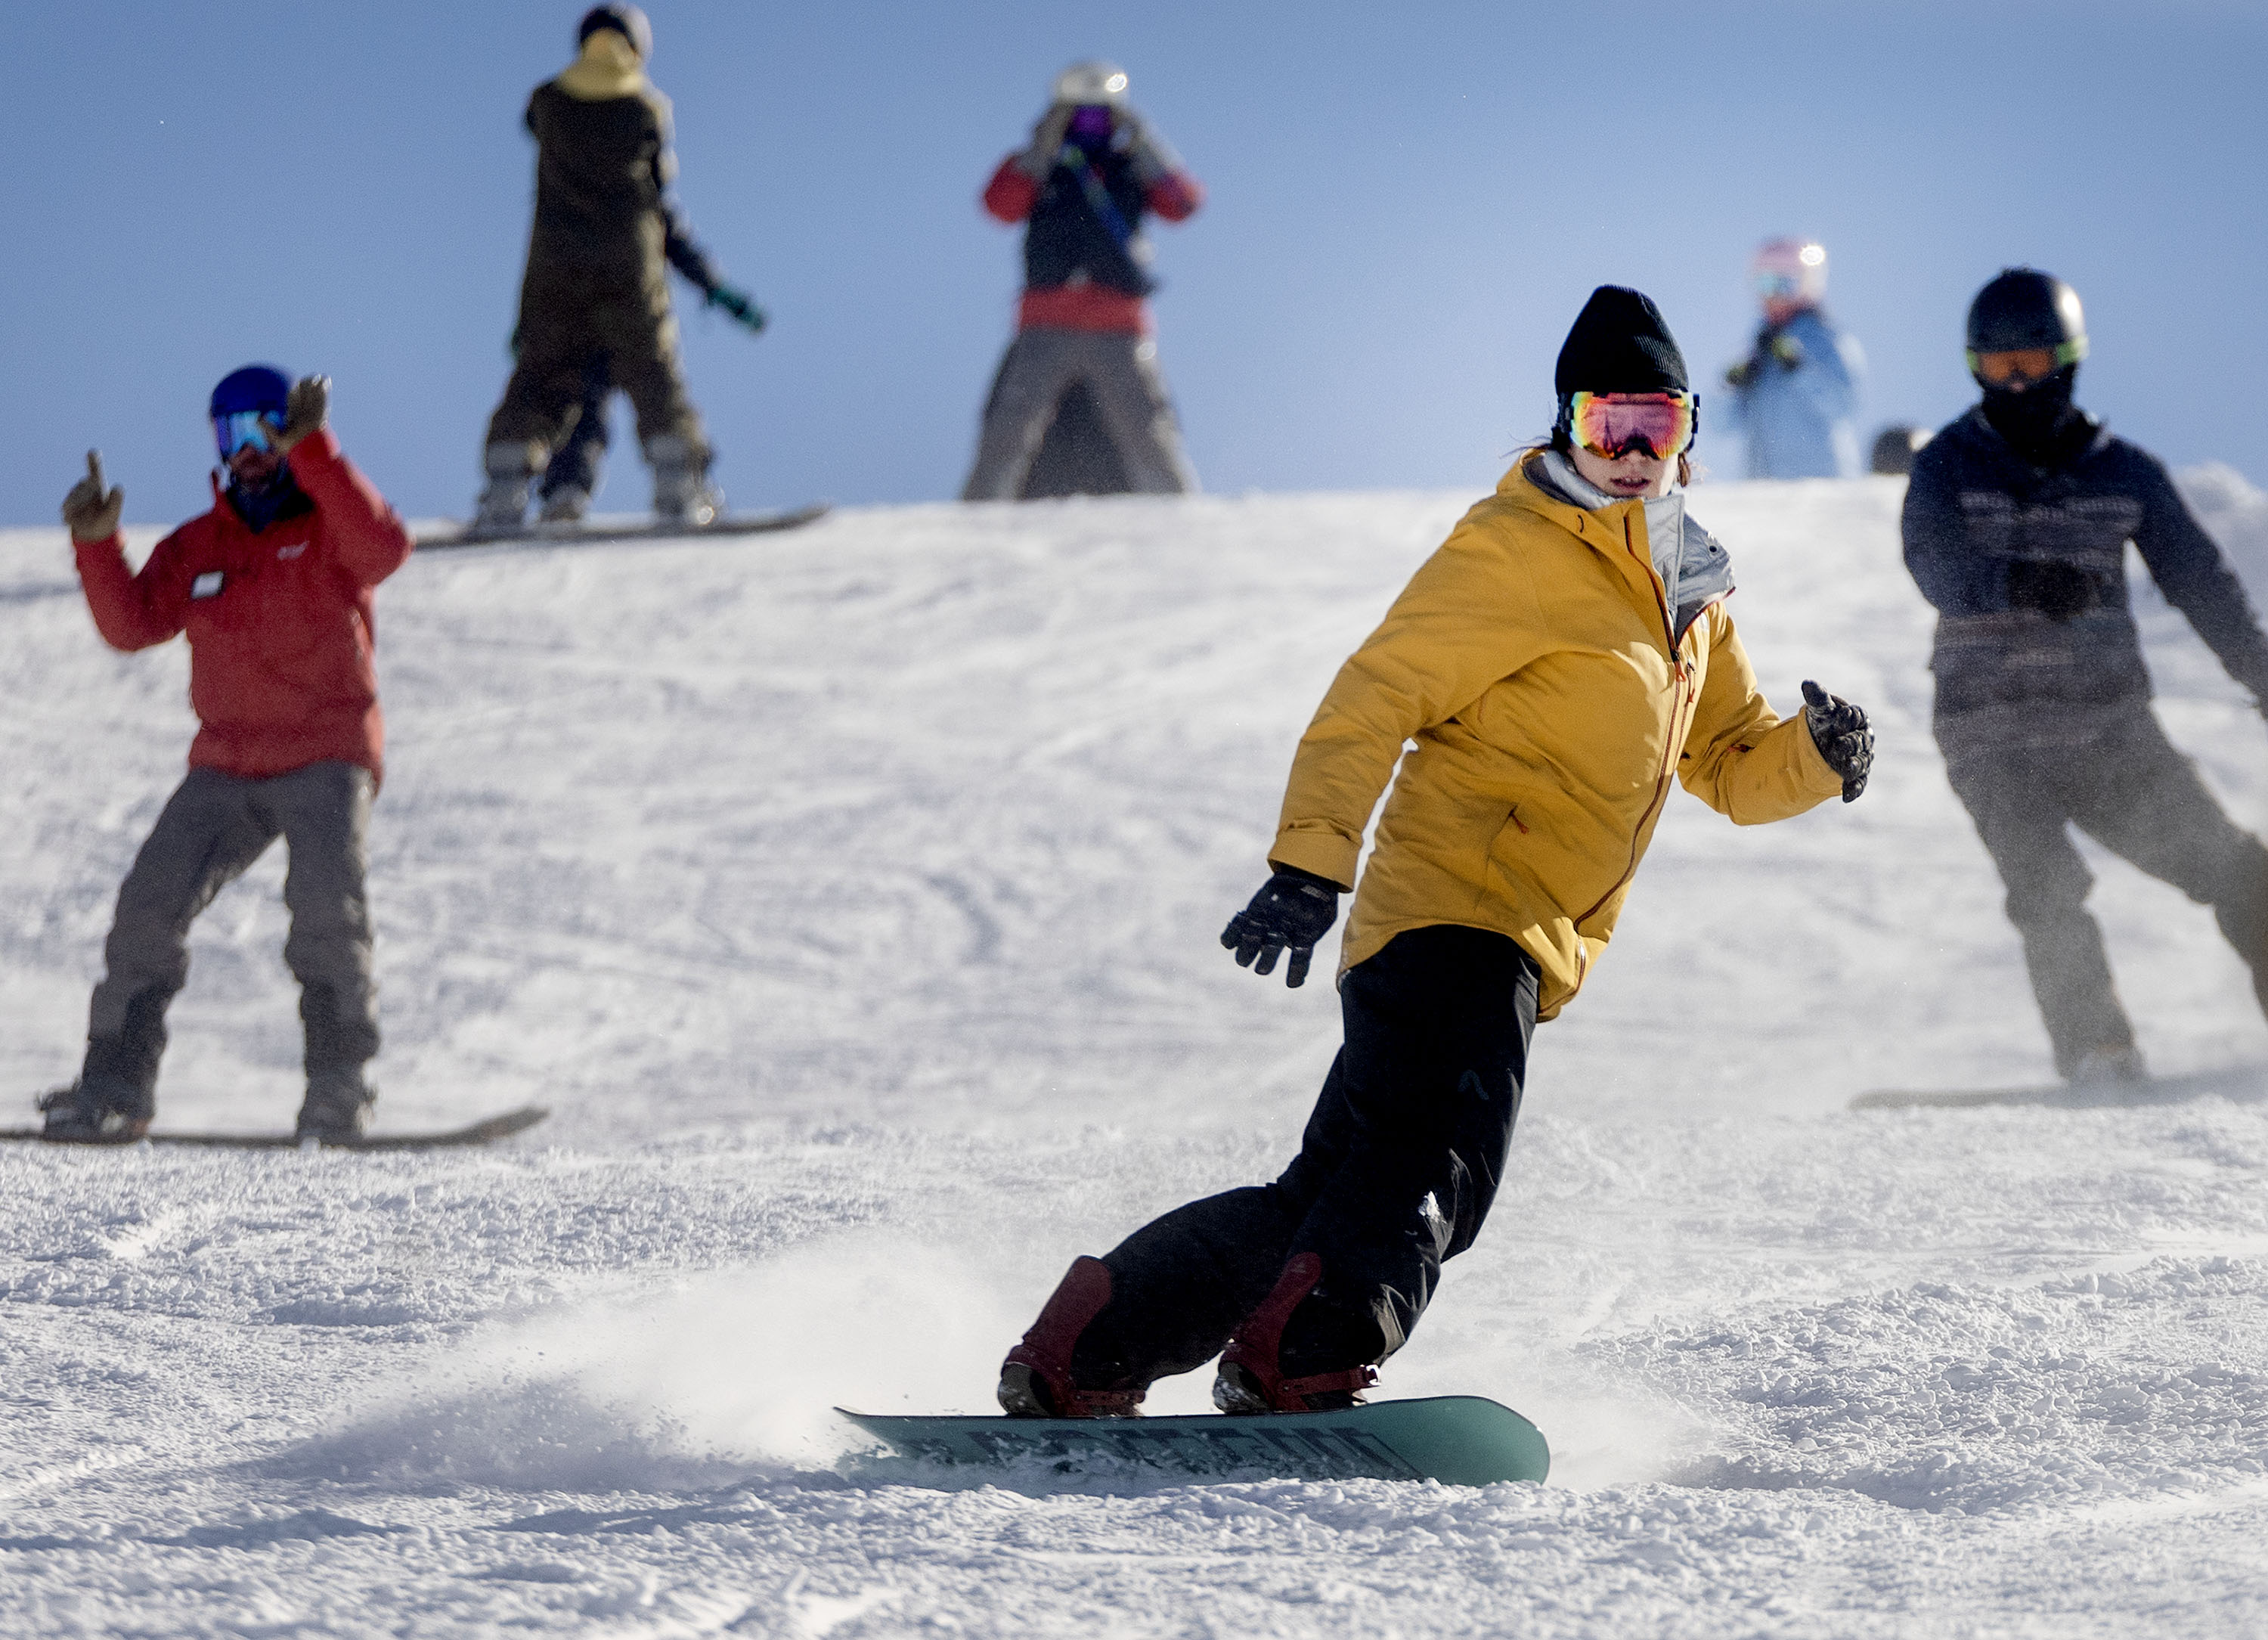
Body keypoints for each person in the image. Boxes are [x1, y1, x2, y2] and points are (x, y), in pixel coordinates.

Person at [996, 287, 1876, 1418]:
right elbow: (1376, 696)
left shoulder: (1689, 588)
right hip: (1461, 911)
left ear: (1690, 431)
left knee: (1331, 1191)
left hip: (1513, 930)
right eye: (1609, 423)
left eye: (1658, 426)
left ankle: (1091, 1347)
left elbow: (1729, 762)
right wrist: (1312, 860)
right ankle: (1302, 1354)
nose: (1632, 453)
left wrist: (1817, 754)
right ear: (1568, 423)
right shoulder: (1514, 549)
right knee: (1434, 1170)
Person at [1901, 268, 2268, 1085]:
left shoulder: (2123, 472)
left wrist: (2260, 672)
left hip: (2108, 731)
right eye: (1999, 370)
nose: (2018, 383)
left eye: (2031, 361)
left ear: (2069, 360)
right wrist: (2021, 584)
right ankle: (2099, 1048)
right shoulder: (1949, 466)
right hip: (1990, 730)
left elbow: (2201, 581)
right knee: (2046, 887)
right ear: (1975, 370)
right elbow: (1935, 566)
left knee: (2239, 872)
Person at [43, 366, 414, 1143]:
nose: (247, 451)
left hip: (323, 754)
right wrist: (97, 545)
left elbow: (383, 550)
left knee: (325, 912)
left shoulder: (328, 522)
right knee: (149, 905)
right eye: (229, 434)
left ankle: (339, 1085)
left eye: (264, 430)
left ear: (291, 431)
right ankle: (115, 1084)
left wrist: (317, 451)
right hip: (226, 765)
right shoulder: (199, 546)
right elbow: (133, 625)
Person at [474, 5, 764, 532]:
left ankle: (505, 486)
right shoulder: (646, 110)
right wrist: (711, 284)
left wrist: (526, 322)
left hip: (554, 267)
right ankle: (679, 484)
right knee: (652, 374)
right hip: (628, 266)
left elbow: (531, 132)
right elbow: (660, 210)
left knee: (541, 376)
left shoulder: (548, 104)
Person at [961, 60, 1204, 501]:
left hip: (1120, 324)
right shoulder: (1038, 166)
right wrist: (1043, 145)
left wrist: (1144, 140)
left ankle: (1180, 515)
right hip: (1045, 321)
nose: (1090, 124)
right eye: (1079, 113)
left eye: (1101, 113)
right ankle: (979, 513)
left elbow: (1183, 204)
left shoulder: (1131, 166)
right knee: (1010, 425)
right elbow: (1001, 206)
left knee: (1148, 428)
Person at [1720, 238, 1865, 479]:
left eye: (1783, 284)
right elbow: (1721, 425)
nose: (1772, 295)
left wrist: (1799, 368)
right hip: (1765, 492)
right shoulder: (1757, 347)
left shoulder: (1827, 340)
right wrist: (1729, 386)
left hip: (1820, 487)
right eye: (1763, 283)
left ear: (1806, 285)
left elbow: (1844, 405)